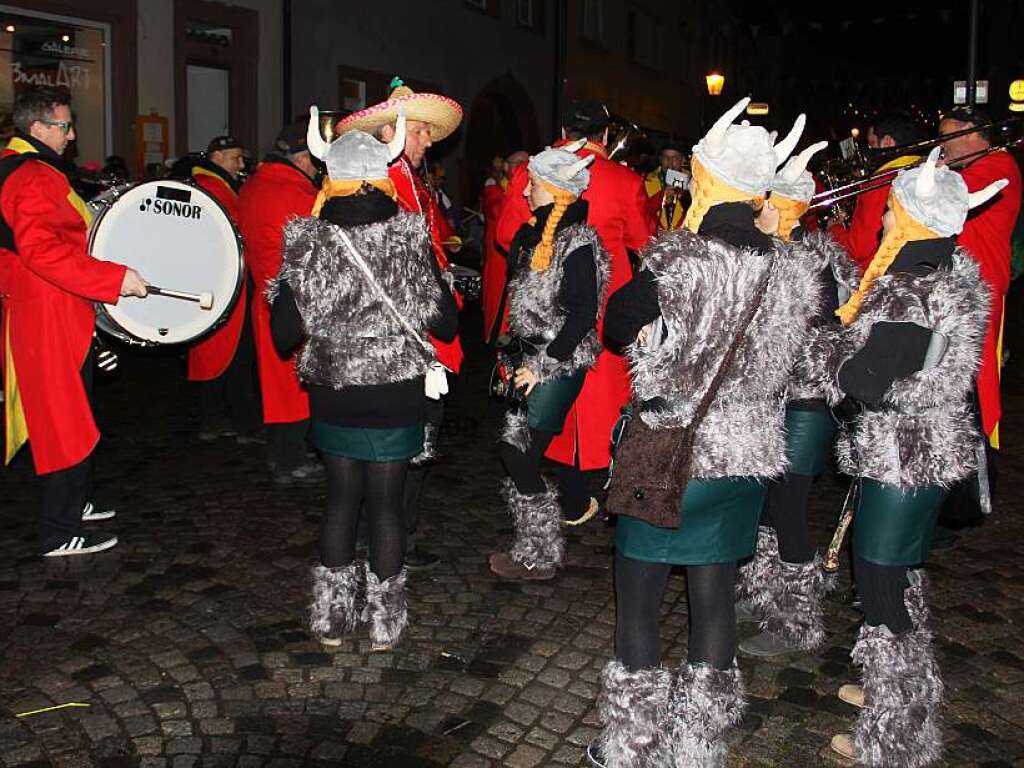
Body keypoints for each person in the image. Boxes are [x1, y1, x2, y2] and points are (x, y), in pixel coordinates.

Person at [588, 99, 815, 768]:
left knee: (640, 597)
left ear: (707, 180)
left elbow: (616, 324)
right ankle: (698, 746)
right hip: (744, 455)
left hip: (670, 452)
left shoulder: (678, 259)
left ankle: (629, 743)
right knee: (713, 597)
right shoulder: (791, 265)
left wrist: (675, 244)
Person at [802, 147, 1005, 764]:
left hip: (899, 456)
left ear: (914, 220)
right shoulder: (954, 278)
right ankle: (897, 693)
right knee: (906, 575)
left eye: (891, 213)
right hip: (932, 451)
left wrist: (827, 348)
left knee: (883, 582)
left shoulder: (905, 292)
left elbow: (863, 382)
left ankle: (897, 736)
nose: (885, 221)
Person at [270, 108, 458, 650]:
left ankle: (330, 620)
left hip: (334, 391)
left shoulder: (308, 242)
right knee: (387, 503)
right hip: (397, 392)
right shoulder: (409, 238)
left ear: (332, 178)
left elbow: (286, 334)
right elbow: (443, 319)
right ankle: (384, 622)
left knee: (340, 501)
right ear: (382, 175)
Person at [0, 86, 147, 556]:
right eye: (63, 126)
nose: (72, 134)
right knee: (61, 419)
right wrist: (114, 278)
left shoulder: (32, 169)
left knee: (73, 410)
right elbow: (43, 251)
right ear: (37, 129)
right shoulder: (32, 176)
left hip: (54, 307)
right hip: (48, 312)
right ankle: (59, 530)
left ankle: (75, 504)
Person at [495, 101, 654, 531]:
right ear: (605, 136)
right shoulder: (625, 179)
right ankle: (586, 490)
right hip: (606, 304)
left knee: (549, 403)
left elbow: (506, 235)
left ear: (564, 127)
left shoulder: (533, 169)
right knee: (597, 401)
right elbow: (644, 240)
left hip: (545, 301)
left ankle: (563, 496)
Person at [733, 141, 862, 658]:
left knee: (788, 508)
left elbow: (817, 331)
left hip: (806, 399)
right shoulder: (776, 253)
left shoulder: (815, 261)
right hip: (773, 398)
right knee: (766, 502)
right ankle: (766, 593)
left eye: (762, 202)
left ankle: (798, 621)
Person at [335, 77, 465, 569]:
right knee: (405, 443)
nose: (429, 141)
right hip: (407, 335)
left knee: (413, 444)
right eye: (421, 132)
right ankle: (391, 543)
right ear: (393, 130)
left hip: (421, 326)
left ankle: (391, 536)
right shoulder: (384, 184)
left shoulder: (410, 180)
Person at [488, 145, 608, 580]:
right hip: (527, 359)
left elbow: (582, 316)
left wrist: (542, 366)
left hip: (557, 363)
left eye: (533, 186)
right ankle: (534, 549)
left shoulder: (579, 244)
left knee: (517, 453)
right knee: (517, 452)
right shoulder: (535, 235)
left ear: (557, 192)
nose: (525, 194)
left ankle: (539, 553)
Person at [935, 107, 1022, 527]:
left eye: (951, 136)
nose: (943, 145)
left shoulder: (998, 166)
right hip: (956, 296)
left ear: (978, 136)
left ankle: (969, 502)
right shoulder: (969, 168)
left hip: (979, 297)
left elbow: (946, 200)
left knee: (973, 400)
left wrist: (925, 172)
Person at [237, 120, 323, 484]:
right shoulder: (296, 193)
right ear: (302, 158)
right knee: (294, 384)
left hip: (264, 298)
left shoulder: (255, 185)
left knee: (276, 384)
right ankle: (292, 462)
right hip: (295, 300)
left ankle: (282, 456)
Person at [188, 134, 260, 443]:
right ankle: (235, 421)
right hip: (221, 285)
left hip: (222, 283)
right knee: (230, 354)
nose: (241, 164)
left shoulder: (216, 185)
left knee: (222, 355)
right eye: (234, 158)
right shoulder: (212, 188)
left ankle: (218, 419)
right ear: (216, 158)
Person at [830, 114, 924, 273]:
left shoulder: (881, 181)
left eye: (871, 144)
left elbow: (858, 249)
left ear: (887, 142)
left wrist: (835, 228)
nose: (868, 152)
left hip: (880, 280)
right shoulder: (927, 172)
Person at [481, 151, 528, 341]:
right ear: (506, 167)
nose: (524, 165)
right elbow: (498, 211)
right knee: (500, 319)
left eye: (527, 162)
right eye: (519, 163)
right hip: (501, 264)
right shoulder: (494, 191)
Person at [644, 143, 688, 232]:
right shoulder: (646, 180)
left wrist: (685, 196)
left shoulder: (693, 182)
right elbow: (642, 211)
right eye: (665, 157)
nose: (670, 162)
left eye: (675, 158)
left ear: (683, 160)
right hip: (654, 236)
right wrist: (662, 196)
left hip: (684, 236)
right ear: (660, 159)